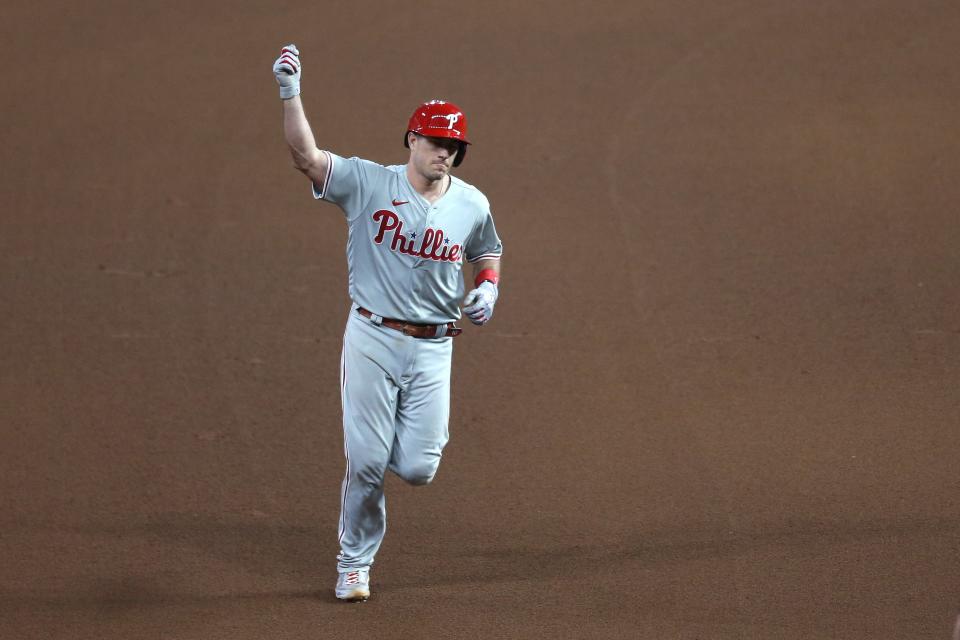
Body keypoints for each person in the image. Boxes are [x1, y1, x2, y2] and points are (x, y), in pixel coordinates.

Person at [272, 44, 503, 602]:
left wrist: (489, 288)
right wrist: (290, 92)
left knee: (420, 469)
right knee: (369, 462)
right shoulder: (368, 183)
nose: (443, 152)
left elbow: (487, 250)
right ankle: (354, 563)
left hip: (434, 348)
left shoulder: (471, 204)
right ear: (411, 140)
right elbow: (306, 156)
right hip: (372, 337)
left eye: (452, 145)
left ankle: (385, 457)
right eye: (434, 141)